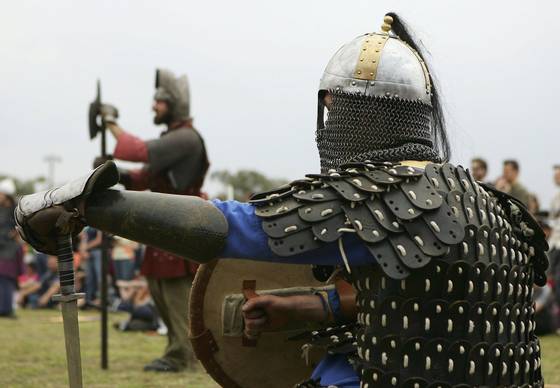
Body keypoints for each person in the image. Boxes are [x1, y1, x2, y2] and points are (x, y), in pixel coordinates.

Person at [16, 13, 548, 387]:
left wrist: (91, 206)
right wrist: (311, 305)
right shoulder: (493, 210)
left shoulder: (387, 199)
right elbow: (427, 305)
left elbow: (237, 228)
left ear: (338, 111)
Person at [94, 68, 210, 372]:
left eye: (158, 102)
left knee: (178, 297)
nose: (153, 107)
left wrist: (110, 124)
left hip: (183, 222)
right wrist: (111, 171)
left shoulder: (185, 138)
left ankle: (188, 358)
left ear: (173, 104)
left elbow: (139, 151)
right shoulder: (174, 138)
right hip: (167, 223)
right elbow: (143, 178)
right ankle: (177, 353)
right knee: (160, 293)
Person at [0, 178, 24, 318]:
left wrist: (14, 233)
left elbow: (20, 227)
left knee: (7, 278)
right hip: (2, 248)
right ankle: (3, 308)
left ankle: (7, 309)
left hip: (10, 250)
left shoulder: (16, 210)